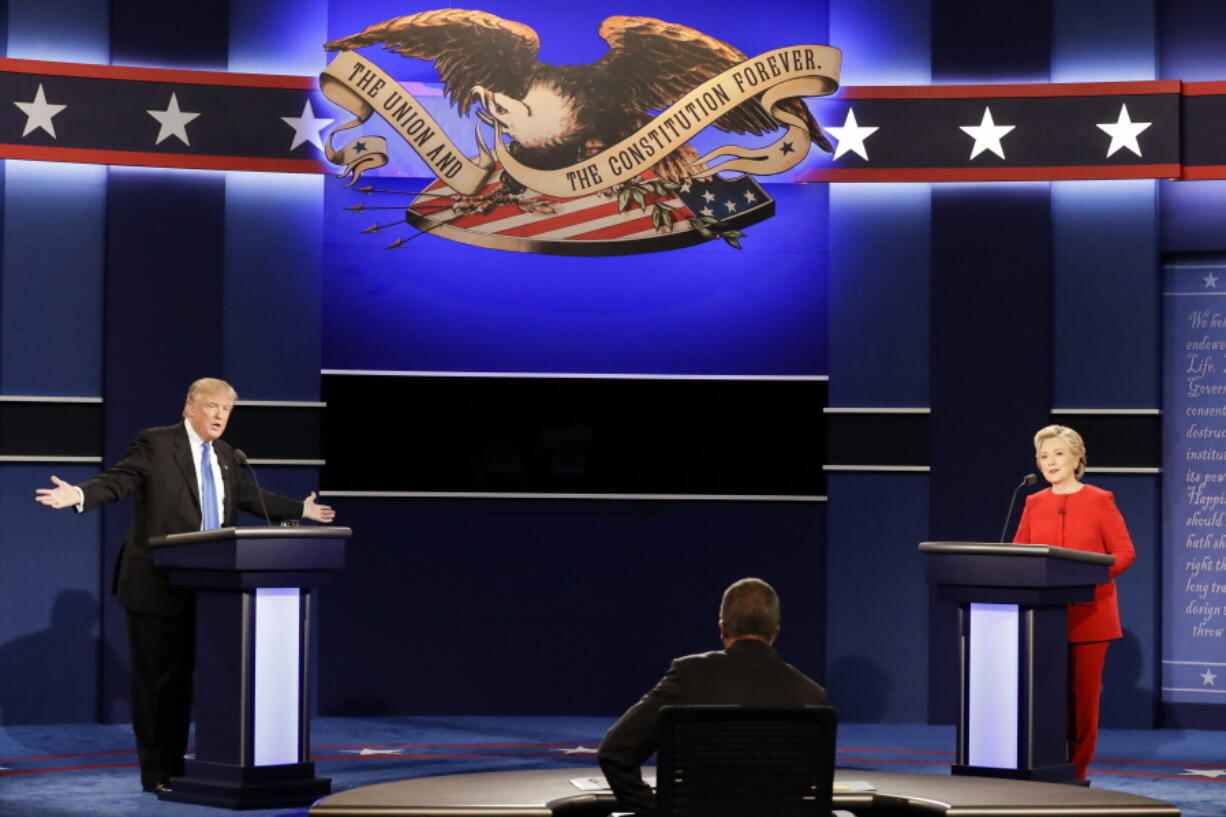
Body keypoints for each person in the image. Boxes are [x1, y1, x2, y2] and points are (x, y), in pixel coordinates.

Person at [34, 377, 336, 794]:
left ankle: (182, 764)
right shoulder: (156, 444)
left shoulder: (228, 455)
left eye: (226, 410)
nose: (219, 416)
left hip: (214, 590)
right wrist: (81, 495)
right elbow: (121, 479)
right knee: (158, 684)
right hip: (157, 583)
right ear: (189, 407)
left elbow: (251, 496)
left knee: (190, 683)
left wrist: (300, 509)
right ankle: (158, 773)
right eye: (211, 407)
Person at [597, 577, 828, 816]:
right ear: (775, 632)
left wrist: (659, 810)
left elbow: (614, 753)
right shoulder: (812, 695)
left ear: (722, 628)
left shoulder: (688, 675)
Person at [1012, 424, 1135, 782]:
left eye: (1058, 454)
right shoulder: (1033, 502)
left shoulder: (1100, 499)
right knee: (1046, 698)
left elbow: (1124, 553)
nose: (1050, 462)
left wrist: (1091, 578)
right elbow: (1019, 553)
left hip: (1090, 616)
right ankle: (1046, 763)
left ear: (1078, 457)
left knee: (1082, 704)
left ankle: (1076, 772)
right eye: (1043, 456)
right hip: (1043, 618)